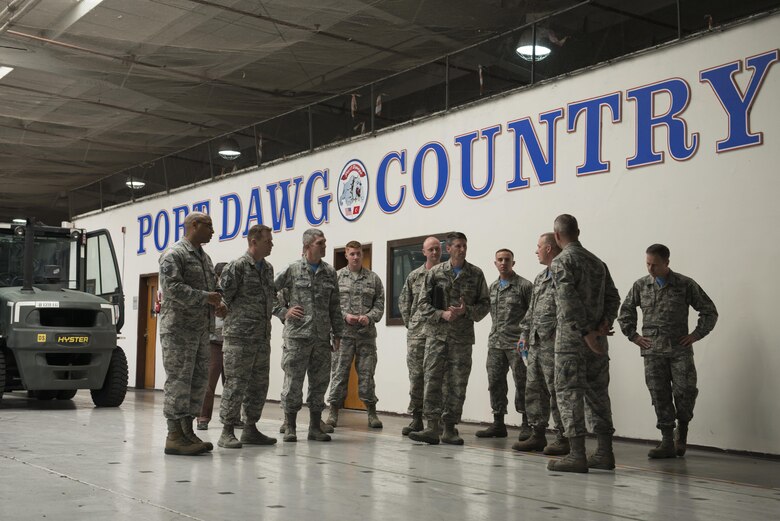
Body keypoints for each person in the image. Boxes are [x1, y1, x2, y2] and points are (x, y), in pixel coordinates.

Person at [617, 243, 717, 458]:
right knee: (659, 395)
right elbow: (625, 312)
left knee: (685, 392)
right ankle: (666, 441)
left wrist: (696, 335)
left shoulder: (685, 284)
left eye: (655, 265)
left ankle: (682, 433)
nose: (650, 269)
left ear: (667, 263)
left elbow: (709, 311)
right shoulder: (641, 286)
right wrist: (633, 336)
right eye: (647, 264)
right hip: (652, 352)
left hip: (679, 350)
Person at [547, 214, 620, 473]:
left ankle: (577, 454)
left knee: (568, 395)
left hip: (572, 342)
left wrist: (586, 331)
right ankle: (604, 453)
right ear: (578, 231)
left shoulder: (561, 262)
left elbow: (567, 300)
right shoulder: (597, 263)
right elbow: (614, 296)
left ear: (557, 236)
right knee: (598, 395)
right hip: (598, 342)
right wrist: (604, 322)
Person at [409, 232, 490, 445]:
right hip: (437, 337)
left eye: (464, 245)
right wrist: (441, 314)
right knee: (432, 380)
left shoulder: (476, 274)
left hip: (461, 340)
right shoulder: (435, 273)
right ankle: (431, 427)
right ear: (449, 249)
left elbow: (485, 306)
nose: (462, 249)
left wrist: (467, 311)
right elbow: (422, 304)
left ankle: (450, 428)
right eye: (458, 246)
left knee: (457, 384)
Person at [158, 211, 223, 456]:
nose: (213, 231)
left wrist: (219, 301)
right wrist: (206, 298)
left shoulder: (204, 258)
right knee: (178, 382)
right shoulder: (174, 254)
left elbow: (214, 288)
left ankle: (187, 432)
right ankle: (174, 435)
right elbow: (172, 289)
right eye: (209, 226)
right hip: (178, 331)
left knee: (196, 383)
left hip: (199, 331)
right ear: (194, 225)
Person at [274, 228, 344, 442]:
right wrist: (283, 312)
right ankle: (291, 426)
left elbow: (335, 306)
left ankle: (315, 426)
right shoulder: (292, 269)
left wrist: (338, 333)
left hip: (321, 338)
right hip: (297, 337)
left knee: (319, 383)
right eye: (320, 243)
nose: (324, 246)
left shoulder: (330, 272)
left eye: (324, 242)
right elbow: (267, 290)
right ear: (307, 247)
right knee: (293, 382)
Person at [216, 224, 278, 449]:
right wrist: (221, 307)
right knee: (235, 384)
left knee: (259, 385)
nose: (271, 244)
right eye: (268, 241)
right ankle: (227, 431)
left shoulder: (268, 269)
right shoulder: (237, 267)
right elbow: (222, 297)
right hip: (239, 339)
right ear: (254, 242)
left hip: (261, 338)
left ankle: (250, 429)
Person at [513, 233, 569, 455]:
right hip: (535, 343)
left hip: (555, 343)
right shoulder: (539, 277)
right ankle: (537, 434)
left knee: (557, 391)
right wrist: (524, 334)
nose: (536, 251)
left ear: (549, 248)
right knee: (534, 389)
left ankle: (563, 437)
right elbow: (532, 310)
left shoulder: (563, 274)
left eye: (538, 247)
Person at [326, 241, 385, 429]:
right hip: (343, 335)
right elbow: (331, 305)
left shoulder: (373, 278)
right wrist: (345, 316)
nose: (356, 257)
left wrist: (369, 317)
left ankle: (372, 413)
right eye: (352, 254)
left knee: (367, 375)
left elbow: (380, 304)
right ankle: (333, 411)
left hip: (366, 336)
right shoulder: (337, 278)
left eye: (359, 253)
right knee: (339, 374)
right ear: (346, 255)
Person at [475, 249, 533, 440]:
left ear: (513, 263)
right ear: (495, 263)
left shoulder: (524, 286)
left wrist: (526, 338)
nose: (503, 263)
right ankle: (498, 423)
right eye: (500, 260)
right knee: (495, 383)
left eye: (507, 260)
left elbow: (533, 314)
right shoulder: (492, 288)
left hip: (518, 344)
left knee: (523, 383)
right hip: (496, 344)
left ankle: (527, 424)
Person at [398, 236, 442, 436]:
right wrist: (412, 323)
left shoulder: (446, 274)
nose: (434, 252)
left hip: (439, 333)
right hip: (417, 335)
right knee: (416, 376)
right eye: (430, 249)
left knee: (438, 378)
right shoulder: (414, 276)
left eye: (437, 249)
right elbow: (404, 302)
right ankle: (416, 418)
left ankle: (437, 421)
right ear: (423, 252)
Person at [196, 261, 226, 431]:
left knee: (231, 383)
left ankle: (232, 417)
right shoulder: (211, 293)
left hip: (229, 341)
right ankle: (203, 417)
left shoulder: (230, 292)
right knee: (209, 382)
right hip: (213, 342)